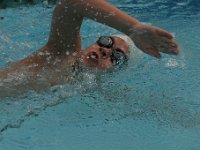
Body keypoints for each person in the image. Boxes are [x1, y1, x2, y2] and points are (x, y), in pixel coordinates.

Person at [0, 0, 179, 97]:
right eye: (107, 41)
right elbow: (73, 3)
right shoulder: (61, 53)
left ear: (114, 72)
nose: (106, 51)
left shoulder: (91, 90)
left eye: (116, 57)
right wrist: (132, 28)